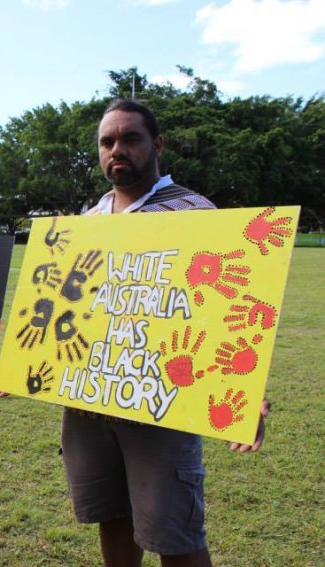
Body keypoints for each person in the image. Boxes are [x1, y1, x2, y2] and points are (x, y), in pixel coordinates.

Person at [58, 99, 270, 567]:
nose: (117, 149)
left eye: (130, 139)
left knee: (175, 533)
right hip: (91, 399)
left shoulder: (195, 212)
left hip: (163, 401)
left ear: (156, 144)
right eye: (107, 141)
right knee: (112, 516)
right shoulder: (88, 222)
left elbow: (229, 307)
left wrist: (246, 389)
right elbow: (68, 306)